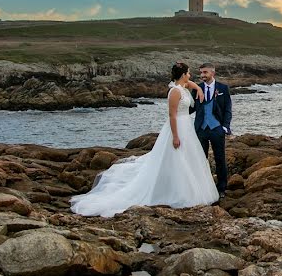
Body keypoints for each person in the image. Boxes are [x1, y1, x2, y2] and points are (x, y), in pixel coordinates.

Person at [69, 62, 218, 217]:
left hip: (187, 127)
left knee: (188, 159)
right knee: (176, 158)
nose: (190, 75)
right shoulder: (175, 92)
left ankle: (188, 190)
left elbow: (189, 83)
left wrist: (199, 88)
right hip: (178, 127)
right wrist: (175, 136)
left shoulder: (183, 86)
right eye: (188, 73)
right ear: (182, 75)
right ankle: (175, 193)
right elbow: (172, 115)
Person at [193, 62, 232, 197]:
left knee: (220, 159)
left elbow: (227, 109)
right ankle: (202, 187)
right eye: (201, 72)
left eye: (205, 72)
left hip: (217, 129)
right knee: (200, 159)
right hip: (201, 129)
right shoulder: (197, 88)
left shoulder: (223, 88)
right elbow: (192, 108)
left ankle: (221, 188)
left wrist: (225, 127)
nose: (202, 75)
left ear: (212, 73)